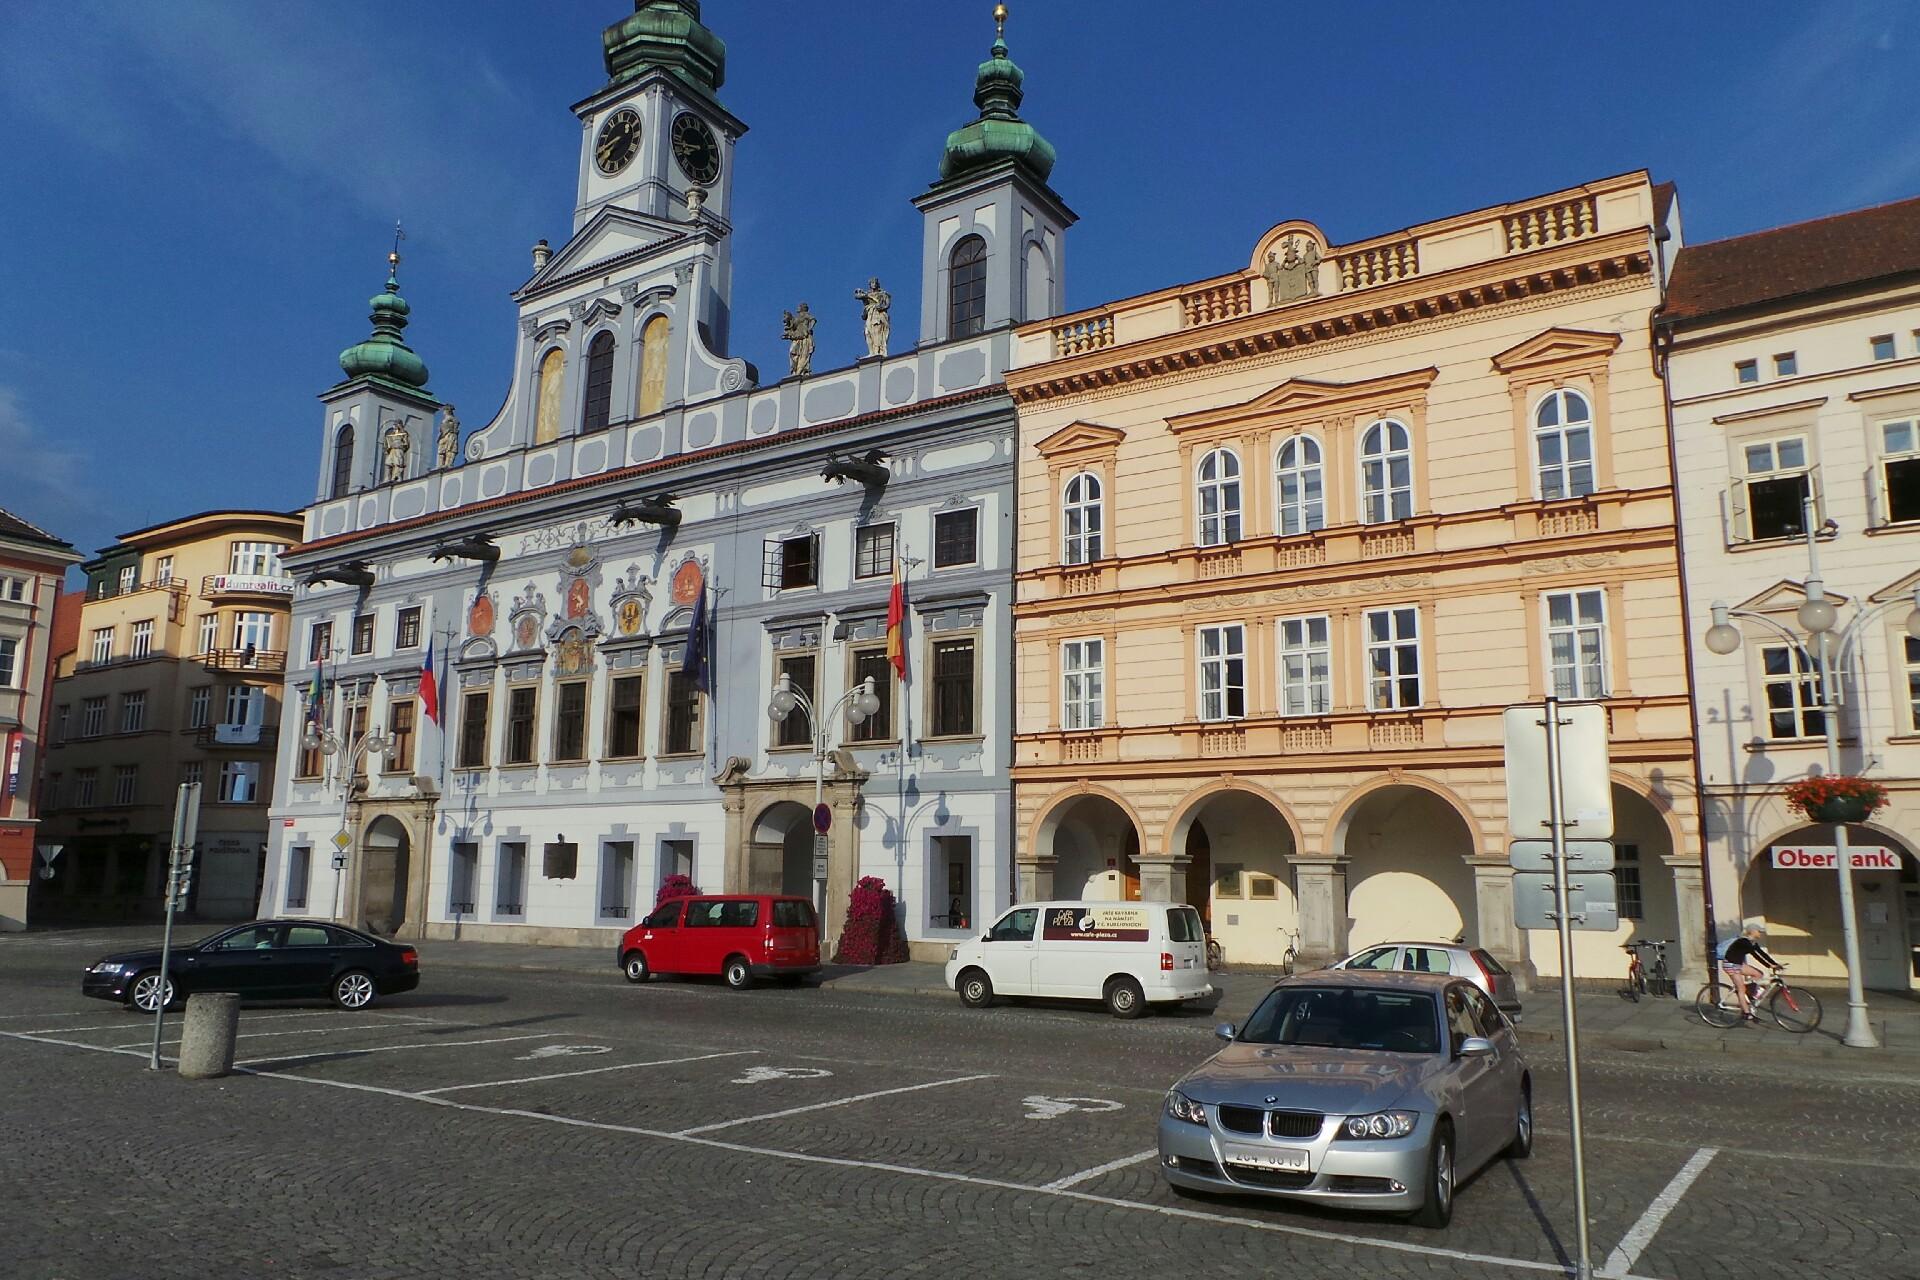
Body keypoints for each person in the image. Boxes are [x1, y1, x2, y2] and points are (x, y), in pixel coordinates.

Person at [1722, 925, 1784, 1021]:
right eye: (1759, 931)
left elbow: (1762, 954)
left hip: (1738, 964)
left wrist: (1775, 964)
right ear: (1752, 931)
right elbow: (1756, 955)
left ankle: (1750, 995)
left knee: (1758, 974)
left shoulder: (1752, 942)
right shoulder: (1743, 941)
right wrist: (1769, 966)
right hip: (1730, 964)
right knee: (1741, 988)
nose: (1760, 933)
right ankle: (1746, 1013)